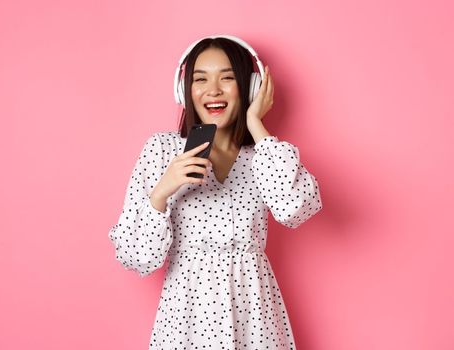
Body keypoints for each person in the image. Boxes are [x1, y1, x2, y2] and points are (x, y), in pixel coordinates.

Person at [107, 35, 323, 349]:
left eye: (227, 78)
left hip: (254, 314)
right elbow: (137, 257)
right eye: (200, 79)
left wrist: (257, 125)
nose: (213, 90)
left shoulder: (263, 158)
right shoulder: (162, 150)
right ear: (184, 90)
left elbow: (294, 210)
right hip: (186, 317)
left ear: (250, 89)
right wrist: (162, 192)